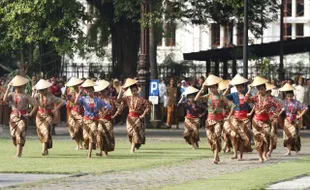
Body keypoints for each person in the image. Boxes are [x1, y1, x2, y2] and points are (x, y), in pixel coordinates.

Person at [195, 75, 235, 164]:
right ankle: (215, 152)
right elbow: (196, 99)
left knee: (216, 136)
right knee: (210, 139)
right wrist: (202, 89)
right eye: (210, 88)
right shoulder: (208, 96)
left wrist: (228, 117)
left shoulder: (221, 96)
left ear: (217, 87)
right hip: (209, 121)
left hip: (219, 121)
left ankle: (216, 156)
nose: (212, 89)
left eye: (214, 87)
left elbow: (232, 105)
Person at [245, 76, 282, 162]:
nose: (261, 91)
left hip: (265, 121)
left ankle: (265, 153)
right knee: (258, 139)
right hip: (256, 121)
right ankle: (260, 156)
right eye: (259, 89)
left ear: (265, 89)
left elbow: (279, 106)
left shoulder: (269, 99)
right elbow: (246, 100)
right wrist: (249, 90)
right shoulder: (255, 98)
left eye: (262, 89)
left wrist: (273, 114)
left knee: (266, 136)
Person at [75, 79, 112, 159]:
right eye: (88, 92)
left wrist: (104, 114)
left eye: (91, 91)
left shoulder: (98, 100)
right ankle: (89, 147)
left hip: (94, 121)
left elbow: (109, 107)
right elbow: (76, 103)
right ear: (86, 92)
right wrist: (79, 93)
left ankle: (89, 155)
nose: (89, 93)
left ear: (93, 91)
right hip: (85, 120)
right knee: (86, 137)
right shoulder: (83, 99)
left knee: (92, 136)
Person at [3, 75, 38, 158]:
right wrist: (8, 88)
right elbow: (4, 100)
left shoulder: (26, 96)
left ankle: (18, 154)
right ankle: (18, 146)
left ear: (23, 86)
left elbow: (36, 104)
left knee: (20, 133)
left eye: (20, 86)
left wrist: (30, 114)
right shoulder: (11, 94)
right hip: (13, 117)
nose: (18, 87)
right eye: (17, 86)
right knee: (13, 135)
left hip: (23, 117)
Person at [115, 78, 151, 153]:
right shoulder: (128, 98)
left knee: (135, 133)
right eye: (132, 91)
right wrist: (121, 91)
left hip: (138, 118)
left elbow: (148, 107)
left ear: (137, 90)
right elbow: (118, 99)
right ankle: (134, 144)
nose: (134, 92)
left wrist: (143, 114)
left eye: (135, 90)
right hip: (130, 118)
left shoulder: (142, 99)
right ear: (131, 91)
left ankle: (132, 149)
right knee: (130, 134)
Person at [223, 74, 253, 160]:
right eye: (238, 87)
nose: (239, 89)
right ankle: (235, 153)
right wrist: (228, 88)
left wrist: (251, 112)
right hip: (235, 118)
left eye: (241, 87)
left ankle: (240, 155)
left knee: (242, 137)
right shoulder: (234, 95)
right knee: (234, 135)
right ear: (236, 88)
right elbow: (223, 97)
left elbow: (255, 103)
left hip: (245, 119)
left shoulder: (247, 95)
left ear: (243, 87)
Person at [34, 79, 65, 156]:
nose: (42, 92)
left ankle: (43, 150)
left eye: (43, 90)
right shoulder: (37, 95)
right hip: (39, 116)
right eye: (40, 90)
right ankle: (46, 147)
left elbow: (62, 102)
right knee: (40, 132)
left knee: (46, 131)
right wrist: (33, 92)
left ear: (46, 89)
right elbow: (32, 101)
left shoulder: (51, 96)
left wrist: (55, 110)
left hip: (48, 116)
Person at [279, 83, 308, 155]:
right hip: (287, 120)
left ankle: (296, 149)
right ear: (286, 96)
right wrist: (277, 114)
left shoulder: (297, 102)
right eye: (288, 96)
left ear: (293, 96)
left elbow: (305, 108)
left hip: (295, 120)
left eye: (291, 96)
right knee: (287, 135)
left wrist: (300, 115)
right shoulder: (284, 102)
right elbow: (281, 110)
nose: (289, 98)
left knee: (295, 134)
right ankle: (288, 151)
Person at [94, 80, 116, 157]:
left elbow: (119, 107)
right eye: (101, 92)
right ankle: (100, 151)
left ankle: (105, 152)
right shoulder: (98, 100)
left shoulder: (111, 100)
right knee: (99, 134)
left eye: (103, 91)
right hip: (100, 120)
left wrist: (114, 115)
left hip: (108, 120)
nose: (102, 93)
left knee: (107, 135)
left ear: (107, 91)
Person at [65, 77, 84, 149]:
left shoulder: (84, 94)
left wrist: (80, 93)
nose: (77, 87)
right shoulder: (70, 94)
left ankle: (82, 143)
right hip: (73, 112)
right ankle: (77, 144)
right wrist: (78, 93)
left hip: (82, 112)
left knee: (80, 128)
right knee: (72, 127)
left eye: (78, 85)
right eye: (75, 86)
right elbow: (74, 101)